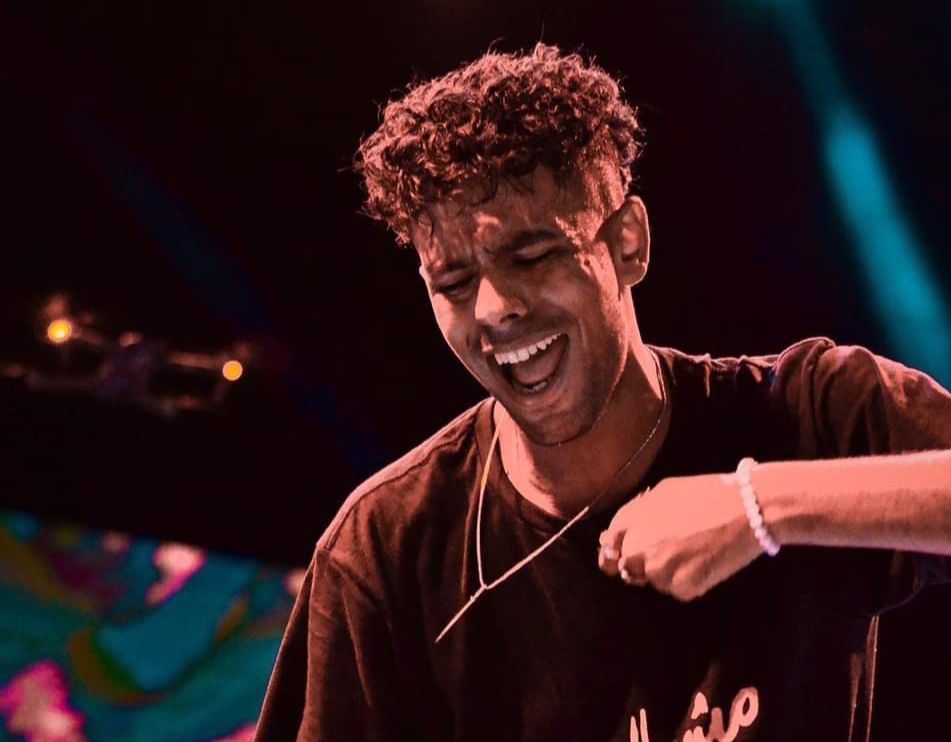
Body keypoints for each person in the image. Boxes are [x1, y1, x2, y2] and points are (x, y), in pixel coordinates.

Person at [253, 44, 951, 742]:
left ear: (628, 244)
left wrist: (761, 507)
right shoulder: (383, 549)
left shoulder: (806, 411)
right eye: (454, 283)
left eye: (533, 256)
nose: (494, 308)